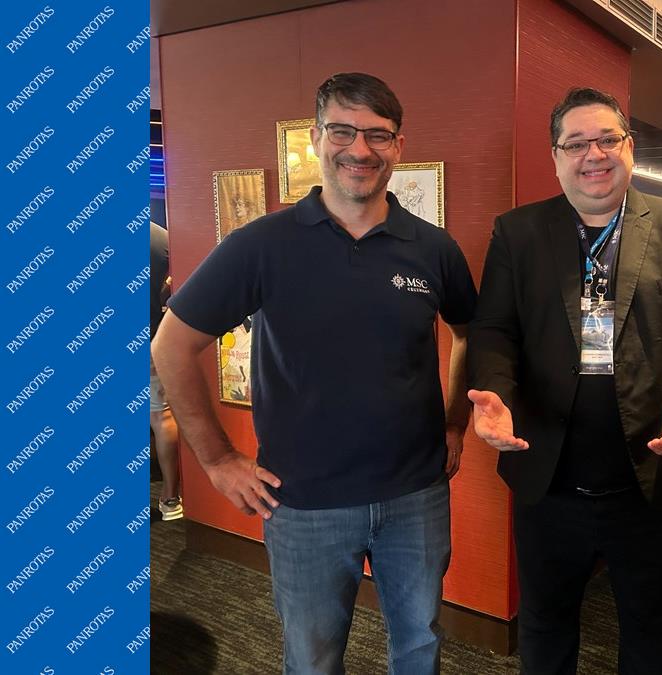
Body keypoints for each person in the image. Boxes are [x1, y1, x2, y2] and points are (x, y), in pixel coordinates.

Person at [151, 72, 476, 674]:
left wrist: (456, 423)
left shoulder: (433, 249)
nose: (360, 150)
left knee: (420, 645)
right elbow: (171, 344)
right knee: (312, 658)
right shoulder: (262, 245)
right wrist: (217, 459)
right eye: (342, 131)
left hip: (416, 496)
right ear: (316, 138)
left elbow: (468, 333)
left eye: (378, 135)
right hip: (304, 503)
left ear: (398, 146)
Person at [468, 87, 662, 674]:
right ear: (555, 156)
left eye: (608, 139)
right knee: (545, 622)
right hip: (547, 473)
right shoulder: (517, 233)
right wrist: (497, 394)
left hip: (650, 471)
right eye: (577, 143)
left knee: (651, 622)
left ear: (629, 147)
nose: (595, 154)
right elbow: (493, 329)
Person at [150, 221, 183, 520]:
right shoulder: (161, 237)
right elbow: (175, 286)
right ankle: (171, 499)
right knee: (162, 416)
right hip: (153, 339)